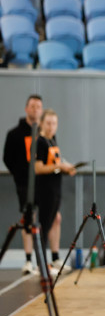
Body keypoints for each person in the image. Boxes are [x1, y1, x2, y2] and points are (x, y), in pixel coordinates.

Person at [3, 94, 42, 274]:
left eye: (38, 107)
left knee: (51, 217)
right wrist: (20, 174)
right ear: (26, 108)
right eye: (32, 106)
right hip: (24, 183)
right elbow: (7, 158)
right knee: (29, 217)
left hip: (44, 182)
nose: (35, 109)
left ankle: (53, 259)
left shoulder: (43, 133)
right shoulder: (14, 134)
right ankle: (28, 260)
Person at [34, 109, 76, 273]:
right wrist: (59, 166)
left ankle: (53, 259)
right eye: (48, 123)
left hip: (55, 188)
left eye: (54, 123)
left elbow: (55, 163)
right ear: (42, 124)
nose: (51, 127)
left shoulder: (52, 140)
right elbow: (38, 168)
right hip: (45, 190)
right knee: (44, 226)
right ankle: (42, 264)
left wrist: (66, 169)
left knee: (54, 221)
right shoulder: (41, 142)